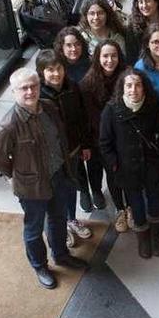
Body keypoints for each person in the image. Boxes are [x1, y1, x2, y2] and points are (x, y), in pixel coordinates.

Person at [0, 68, 89, 289]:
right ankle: (40, 266)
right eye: (24, 88)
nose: (30, 91)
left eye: (33, 86)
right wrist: (14, 176)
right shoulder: (8, 126)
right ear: (14, 92)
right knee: (34, 228)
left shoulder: (50, 107)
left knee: (57, 219)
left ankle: (61, 255)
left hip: (58, 176)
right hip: (31, 187)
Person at [99, 68, 159, 258]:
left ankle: (155, 234)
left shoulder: (152, 106)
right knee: (135, 204)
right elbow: (104, 142)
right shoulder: (111, 110)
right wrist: (115, 165)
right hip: (127, 168)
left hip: (151, 165)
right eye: (129, 85)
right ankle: (143, 235)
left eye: (138, 85)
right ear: (122, 88)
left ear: (144, 88)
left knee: (154, 200)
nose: (133, 89)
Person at [36, 51, 93, 246]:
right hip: (52, 156)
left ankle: (71, 218)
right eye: (49, 70)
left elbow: (81, 117)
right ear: (41, 73)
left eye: (58, 68)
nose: (55, 74)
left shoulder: (72, 87)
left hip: (73, 149)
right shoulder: (38, 95)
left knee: (71, 187)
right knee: (55, 193)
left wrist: (84, 144)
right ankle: (59, 227)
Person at [79, 41, 127, 222]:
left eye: (113, 55)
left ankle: (130, 206)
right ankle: (120, 208)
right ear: (97, 58)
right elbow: (89, 118)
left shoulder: (126, 75)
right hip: (102, 138)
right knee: (112, 173)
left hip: (124, 134)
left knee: (127, 172)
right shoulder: (88, 83)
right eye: (105, 56)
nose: (109, 60)